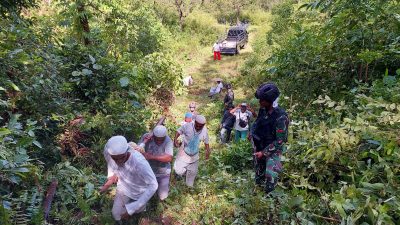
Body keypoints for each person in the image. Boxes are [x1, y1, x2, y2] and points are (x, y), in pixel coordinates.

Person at [100, 136, 158, 221]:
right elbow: (111, 166)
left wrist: (132, 209)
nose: (119, 161)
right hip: (123, 188)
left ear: (127, 151)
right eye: (115, 158)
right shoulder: (108, 152)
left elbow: (153, 185)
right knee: (116, 215)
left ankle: (139, 208)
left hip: (139, 191)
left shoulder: (139, 163)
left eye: (122, 157)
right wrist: (109, 182)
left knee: (137, 211)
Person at [250, 83, 289, 194]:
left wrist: (264, 152)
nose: (259, 102)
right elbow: (257, 122)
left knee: (271, 179)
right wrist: (252, 133)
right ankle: (257, 196)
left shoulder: (281, 117)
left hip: (273, 150)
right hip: (260, 145)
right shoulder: (263, 110)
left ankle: (270, 200)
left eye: (262, 100)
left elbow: (280, 141)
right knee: (259, 175)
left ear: (270, 101)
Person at [135, 126, 173, 201]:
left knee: (163, 197)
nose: (159, 142)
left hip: (163, 172)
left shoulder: (168, 141)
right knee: (145, 195)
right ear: (154, 136)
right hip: (148, 171)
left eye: (161, 140)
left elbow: (169, 158)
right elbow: (137, 150)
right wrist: (143, 145)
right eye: (157, 139)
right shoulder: (147, 137)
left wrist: (151, 157)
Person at [173, 115, 210, 187]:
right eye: (197, 125)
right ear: (195, 122)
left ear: (203, 125)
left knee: (191, 178)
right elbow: (179, 131)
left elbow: (206, 142)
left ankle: (188, 186)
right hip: (184, 152)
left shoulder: (204, 131)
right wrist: (175, 140)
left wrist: (207, 152)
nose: (198, 127)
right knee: (178, 171)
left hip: (194, 155)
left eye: (200, 126)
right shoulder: (188, 126)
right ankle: (182, 173)